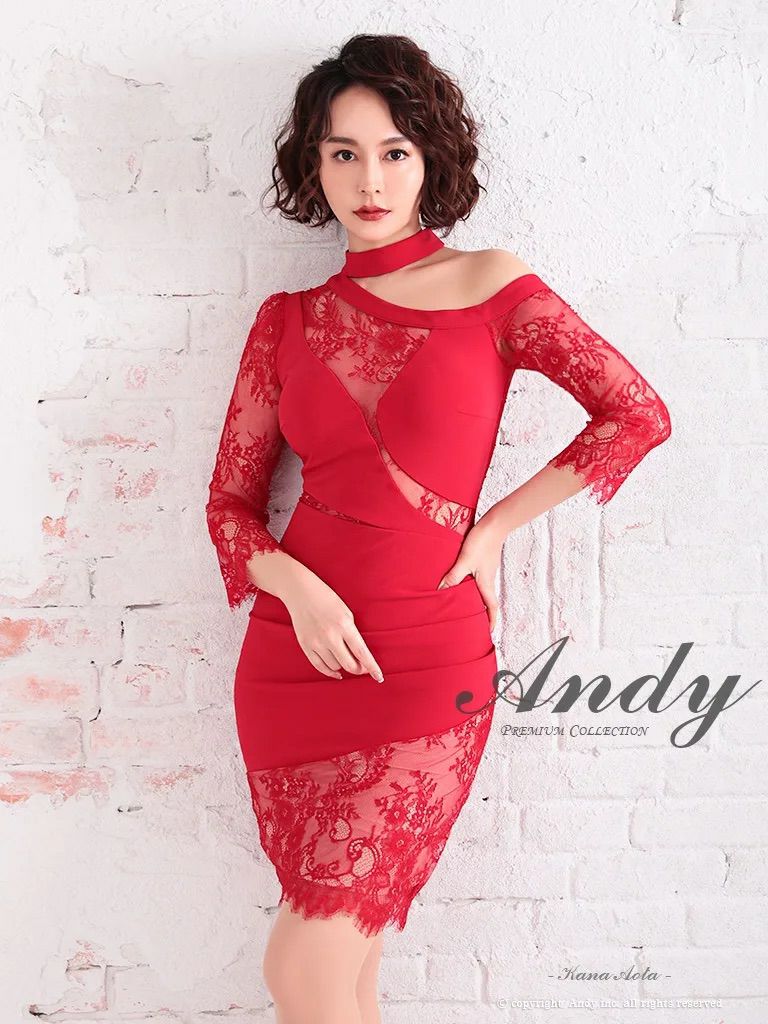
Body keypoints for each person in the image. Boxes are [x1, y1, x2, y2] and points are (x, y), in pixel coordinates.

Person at [205, 32, 672, 1024]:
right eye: (343, 153)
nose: (369, 180)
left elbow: (635, 412)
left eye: (394, 151)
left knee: (303, 972)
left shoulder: (490, 285)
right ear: (313, 164)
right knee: (344, 975)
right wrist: (296, 586)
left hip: (426, 659)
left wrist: (495, 526)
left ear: (429, 158)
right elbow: (230, 507)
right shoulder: (285, 321)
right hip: (292, 662)